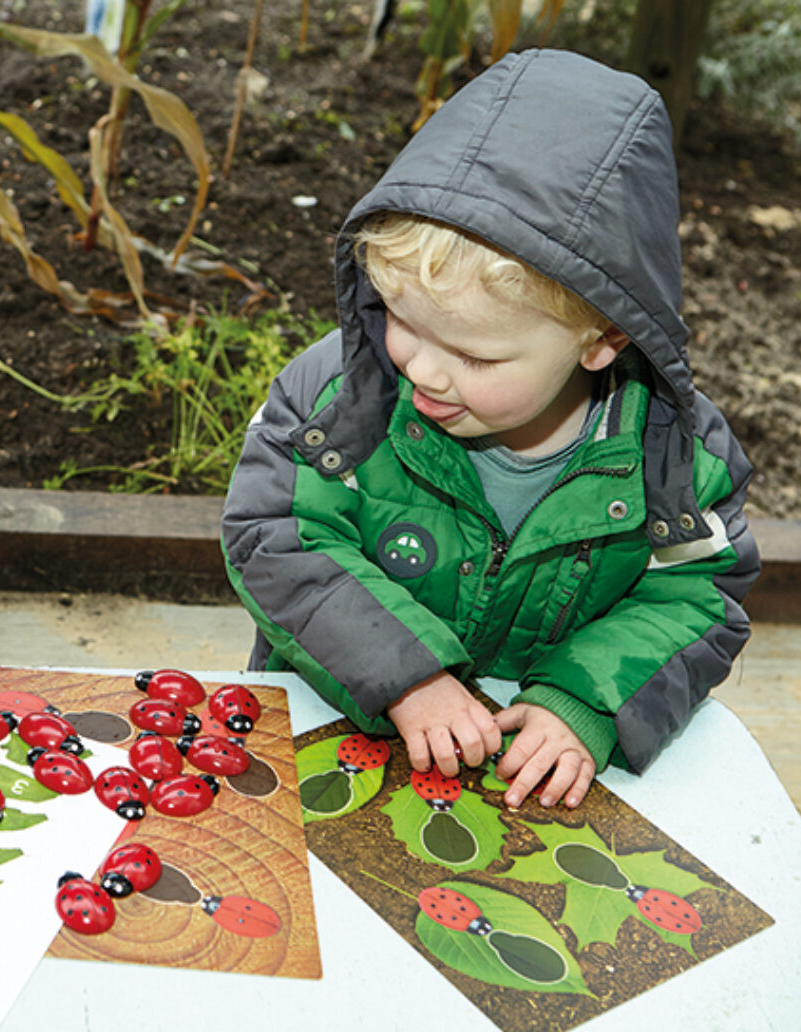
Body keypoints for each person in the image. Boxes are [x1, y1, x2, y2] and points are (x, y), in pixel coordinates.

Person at [222, 49, 759, 810]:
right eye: (401, 318)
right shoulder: (337, 399)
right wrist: (407, 673)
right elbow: (274, 532)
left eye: (473, 355)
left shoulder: (677, 465)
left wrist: (585, 703)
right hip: (326, 713)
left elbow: (697, 598)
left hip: (525, 779)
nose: (424, 372)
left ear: (602, 339)